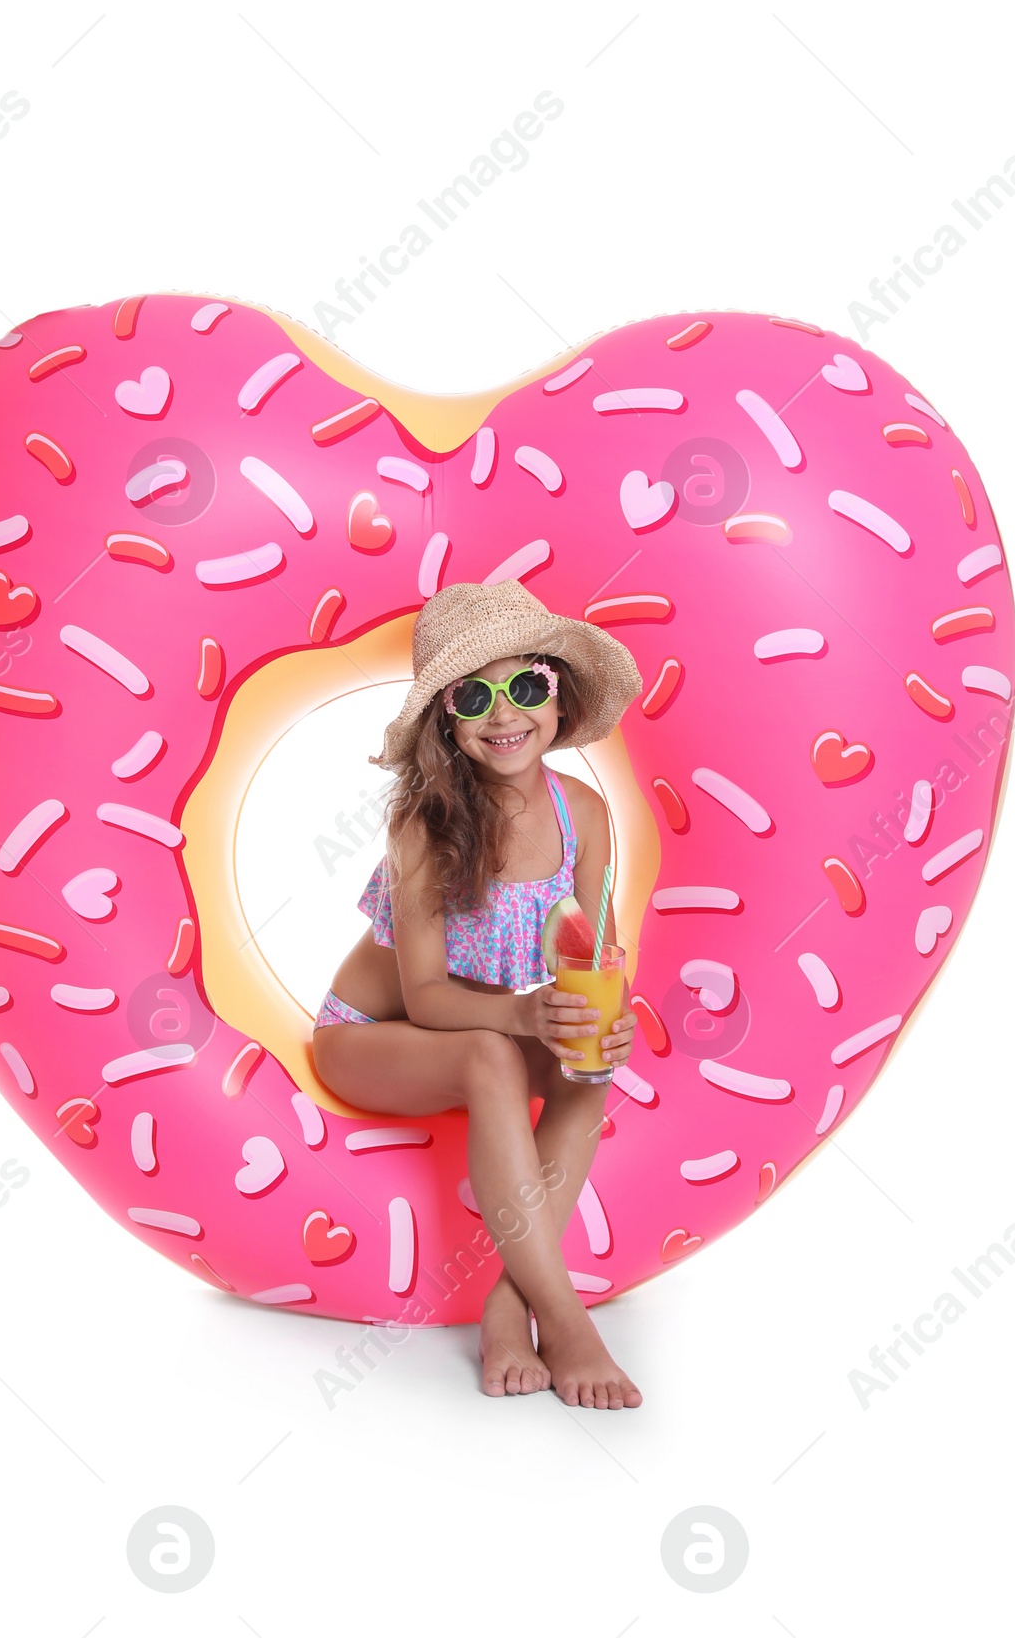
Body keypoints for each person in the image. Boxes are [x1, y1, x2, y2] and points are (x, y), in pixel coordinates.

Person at [311, 579, 645, 1408]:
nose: (505, 714)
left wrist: (606, 1017)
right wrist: (524, 1013)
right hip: (371, 1034)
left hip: (483, 1029)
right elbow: (424, 996)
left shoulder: (588, 817)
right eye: (475, 696)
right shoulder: (426, 823)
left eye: (525, 686)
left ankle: (507, 1302)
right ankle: (566, 1320)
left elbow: (596, 954)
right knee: (495, 1056)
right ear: (448, 722)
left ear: (558, 696)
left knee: (586, 1069)